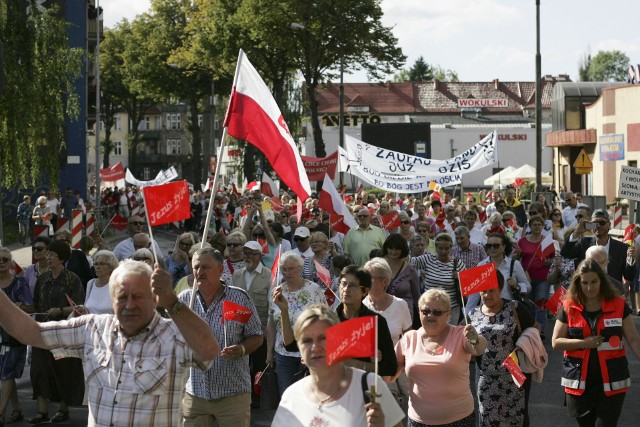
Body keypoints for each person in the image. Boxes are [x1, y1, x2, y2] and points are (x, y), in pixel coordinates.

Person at [0, 258, 219, 426]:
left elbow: (209, 351)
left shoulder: (175, 334)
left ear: (155, 298)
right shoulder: (92, 328)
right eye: (122, 297)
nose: (130, 305)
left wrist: (172, 301)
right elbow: (30, 332)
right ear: (111, 300)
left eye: (138, 296)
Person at [271, 305, 404, 427]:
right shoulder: (292, 396)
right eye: (306, 340)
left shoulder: (370, 386)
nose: (315, 347)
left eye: (323, 338)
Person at [178, 247, 263, 426]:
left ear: (220, 270)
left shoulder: (238, 299)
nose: (199, 272)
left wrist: (242, 349)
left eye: (205, 267)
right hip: (195, 393)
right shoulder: (184, 301)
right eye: (196, 267)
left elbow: (256, 335)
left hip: (232, 395)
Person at [552, 259, 640, 427]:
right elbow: (555, 342)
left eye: (594, 282)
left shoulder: (619, 304)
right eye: (584, 283)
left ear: (602, 280)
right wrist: (584, 342)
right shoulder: (568, 306)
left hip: (612, 381)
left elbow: (634, 339)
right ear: (578, 282)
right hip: (579, 383)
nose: (589, 287)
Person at [395, 289, 488, 427]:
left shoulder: (460, 334)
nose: (430, 316)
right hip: (418, 421)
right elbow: (390, 372)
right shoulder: (409, 338)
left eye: (437, 312)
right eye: (425, 311)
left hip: (458, 420)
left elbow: (480, 348)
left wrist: (475, 339)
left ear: (448, 314)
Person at [29, 239, 86, 423]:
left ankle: (63, 409)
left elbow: (78, 306)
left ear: (62, 258)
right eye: (48, 254)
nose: (48, 257)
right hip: (42, 329)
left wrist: (60, 311)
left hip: (62, 331)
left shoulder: (72, 279)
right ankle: (42, 411)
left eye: (52, 254)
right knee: (38, 370)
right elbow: (36, 301)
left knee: (62, 369)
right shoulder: (43, 278)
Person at [469, 270, 535, 426]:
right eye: (483, 291)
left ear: (500, 289)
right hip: (486, 376)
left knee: (517, 418)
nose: (487, 295)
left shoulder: (515, 307)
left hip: (515, 372)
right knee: (487, 418)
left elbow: (535, 329)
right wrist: (470, 339)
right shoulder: (473, 314)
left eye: (491, 290)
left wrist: (522, 345)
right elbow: (470, 350)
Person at [266, 252, 327, 396]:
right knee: (287, 396)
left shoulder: (314, 290)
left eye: (291, 268)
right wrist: (269, 352)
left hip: (310, 352)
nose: (287, 273)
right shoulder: (276, 292)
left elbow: (325, 320)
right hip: (283, 354)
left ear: (300, 268)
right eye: (284, 269)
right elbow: (271, 324)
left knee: (311, 396)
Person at [336, 265, 398, 378]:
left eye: (352, 285)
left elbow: (391, 367)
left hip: (364, 387)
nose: (346, 289)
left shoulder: (377, 322)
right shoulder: (328, 320)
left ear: (364, 291)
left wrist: (353, 364)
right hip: (333, 387)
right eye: (343, 284)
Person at [232, 241, 272, 404]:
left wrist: (268, 330)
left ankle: (256, 398)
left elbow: (271, 306)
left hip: (260, 330)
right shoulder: (237, 274)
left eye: (252, 254)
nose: (248, 257)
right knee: (240, 363)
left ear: (260, 256)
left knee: (258, 365)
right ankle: (240, 394)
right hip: (239, 328)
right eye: (246, 253)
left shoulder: (269, 275)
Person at [0, 248, 34, 425]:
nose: (1, 262)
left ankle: (1, 413)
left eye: (5, 259)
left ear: (11, 262)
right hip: (0, 336)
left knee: (6, 373)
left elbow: (31, 307)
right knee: (8, 374)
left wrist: (17, 307)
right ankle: (18, 410)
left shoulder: (19, 283)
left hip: (14, 335)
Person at [562, 209, 636, 284]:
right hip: (589, 291)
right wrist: (577, 232)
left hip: (612, 292)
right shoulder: (584, 243)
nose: (598, 226)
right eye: (595, 223)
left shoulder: (621, 247)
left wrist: (630, 260)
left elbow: (629, 277)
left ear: (609, 225)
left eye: (602, 223)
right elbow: (565, 253)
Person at [466, 233, 532, 315]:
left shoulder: (514, 264)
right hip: (487, 312)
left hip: (509, 312)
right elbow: (474, 295)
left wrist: (516, 285)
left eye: (496, 245)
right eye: (489, 246)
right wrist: (467, 315)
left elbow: (528, 287)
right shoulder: (481, 265)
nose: (492, 248)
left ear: (504, 247)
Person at [409, 233, 465, 324]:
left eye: (447, 248)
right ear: (436, 248)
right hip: (429, 307)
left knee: (448, 335)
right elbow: (409, 261)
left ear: (451, 248)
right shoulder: (428, 259)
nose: (443, 251)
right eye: (440, 248)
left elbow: (467, 286)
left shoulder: (458, 264)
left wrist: (460, 278)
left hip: (450, 308)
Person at [518, 215, 555, 335]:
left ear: (542, 226)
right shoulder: (522, 241)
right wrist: (516, 255)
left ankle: (540, 330)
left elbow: (553, 258)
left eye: (539, 224)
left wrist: (548, 261)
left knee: (540, 303)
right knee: (529, 304)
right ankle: (530, 328)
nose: (537, 226)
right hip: (526, 277)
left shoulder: (547, 241)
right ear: (530, 226)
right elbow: (517, 256)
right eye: (534, 224)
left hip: (543, 277)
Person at [381, 234, 420, 324]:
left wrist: (423, 317)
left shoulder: (411, 270)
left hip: (404, 315)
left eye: (397, 248)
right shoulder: (378, 267)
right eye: (391, 248)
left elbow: (417, 296)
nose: (393, 251)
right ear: (386, 248)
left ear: (402, 249)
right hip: (382, 312)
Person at [76, 250, 118, 315]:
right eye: (95, 264)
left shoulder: (117, 285)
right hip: (90, 324)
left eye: (101, 264)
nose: (97, 267)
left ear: (111, 266)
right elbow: (87, 308)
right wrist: (82, 309)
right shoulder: (91, 283)